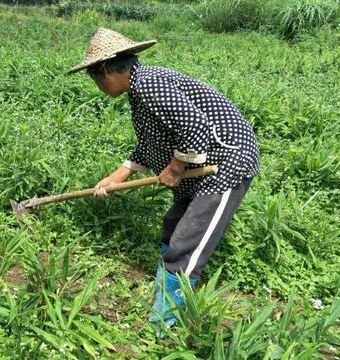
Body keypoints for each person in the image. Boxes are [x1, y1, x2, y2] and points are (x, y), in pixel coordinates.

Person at [67, 28, 260, 328]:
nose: (97, 86)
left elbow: (196, 127)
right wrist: (116, 177)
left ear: (104, 69)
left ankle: (164, 323)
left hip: (225, 162)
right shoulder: (139, 89)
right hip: (197, 163)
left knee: (188, 241)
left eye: (93, 78)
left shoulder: (149, 84)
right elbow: (150, 144)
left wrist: (173, 169)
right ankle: (165, 287)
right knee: (173, 226)